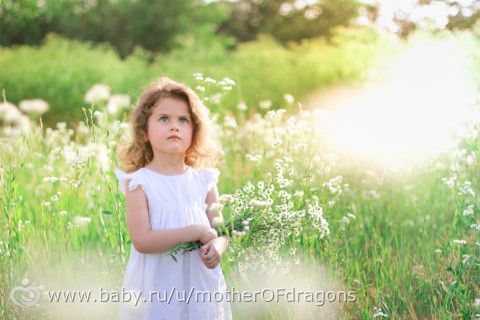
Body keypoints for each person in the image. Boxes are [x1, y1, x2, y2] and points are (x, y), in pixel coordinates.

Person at [114, 77, 232, 319]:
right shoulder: (140, 183)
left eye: (183, 120)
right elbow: (142, 241)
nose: (174, 126)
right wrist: (194, 231)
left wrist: (218, 247)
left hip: (199, 282)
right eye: (164, 119)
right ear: (144, 132)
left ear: (194, 131)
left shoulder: (204, 180)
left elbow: (221, 231)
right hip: (158, 286)